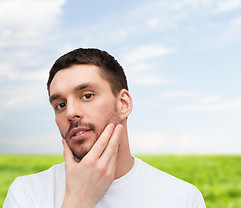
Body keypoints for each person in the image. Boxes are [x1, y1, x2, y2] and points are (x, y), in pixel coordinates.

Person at [3, 48, 206, 208]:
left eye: (87, 95)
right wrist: (78, 202)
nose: (70, 112)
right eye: (60, 105)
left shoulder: (182, 198)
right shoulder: (27, 193)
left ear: (123, 104)